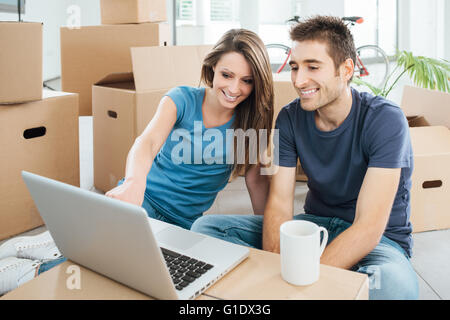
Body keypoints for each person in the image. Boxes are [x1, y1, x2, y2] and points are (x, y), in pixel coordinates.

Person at [0, 28, 274, 295]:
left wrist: (268, 233)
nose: (234, 88)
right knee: (102, 261)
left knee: (133, 273)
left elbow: (256, 180)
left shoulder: (252, 121)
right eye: (227, 75)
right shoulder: (181, 99)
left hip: (183, 223)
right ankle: (34, 271)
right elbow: (148, 142)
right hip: (142, 198)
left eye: (247, 80)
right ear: (212, 67)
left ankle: (53, 248)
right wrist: (133, 182)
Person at [191, 16, 419, 300]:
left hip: (379, 244)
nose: (299, 80)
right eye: (295, 67)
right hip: (313, 227)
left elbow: (368, 226)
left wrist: (305, 281)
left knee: (394, 287)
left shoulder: (385, 119)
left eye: (313, 67)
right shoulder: (290, 118)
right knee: (206, 229)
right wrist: (281, 272)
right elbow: (278, 203)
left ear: (346, 69)